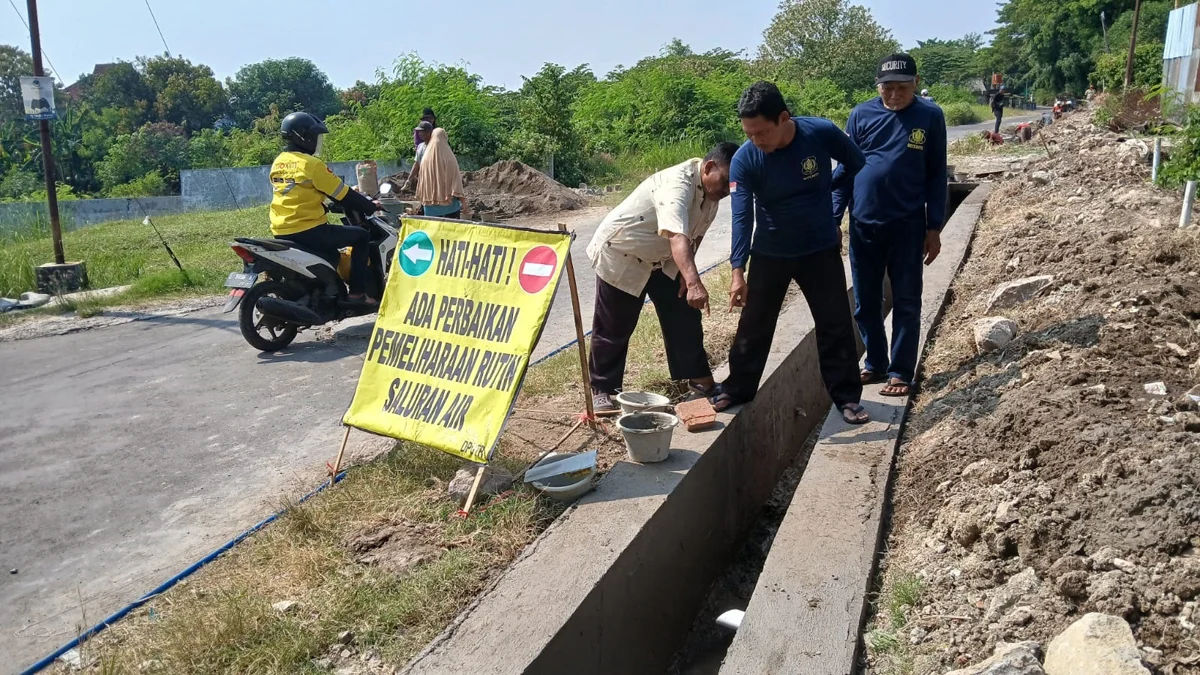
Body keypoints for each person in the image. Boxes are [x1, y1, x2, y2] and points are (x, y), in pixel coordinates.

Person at [713, 81, 869, 425]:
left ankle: (847, 397)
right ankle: (737, 387)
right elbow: (742, 216)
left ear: (784, 118)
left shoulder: (820, 132)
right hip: (771, 251)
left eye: (761, 133)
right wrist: (738, 270)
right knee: (754, 324)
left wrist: (829, 189)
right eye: (749, 133)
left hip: (819, 248)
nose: (756, 141)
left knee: (834, 323)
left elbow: (855, 161)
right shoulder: (745, 159)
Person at [585, 142, 740, 413]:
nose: (727, 190)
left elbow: (696, 235)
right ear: (709, 167)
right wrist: (693, 282)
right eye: (725, 181)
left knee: (685, 312)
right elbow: (678, 235)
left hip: (662, 257)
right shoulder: (676, 185)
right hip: (623, 251)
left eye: (732, 185)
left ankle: (699, 379)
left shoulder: (712, 195)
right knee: (614, 326)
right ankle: (603, 389)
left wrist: (685, 275)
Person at [832, 53, 948, 399]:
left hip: (908, 226)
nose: (894, 95)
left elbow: (936, 173)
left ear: (915, 84)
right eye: (887, 88)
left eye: (902, 88)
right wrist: (834, 218)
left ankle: (900, 370)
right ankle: (876, 362)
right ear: (877, 87)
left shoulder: (929, 116)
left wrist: (934, 227)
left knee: (907, 300)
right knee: (866, 302)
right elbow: (845, 171)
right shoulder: (861, 115)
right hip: (865, 225)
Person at [268, 111, 381, 305]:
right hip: (309, 229)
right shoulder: (311, 165)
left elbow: (299, 193)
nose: (317, 142)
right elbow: (344, 194)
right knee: (361, 237)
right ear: (305, 137)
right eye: (316, 137)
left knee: (334, 249)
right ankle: (357, 294)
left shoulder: (279, 162)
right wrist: (370, 206)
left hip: (281, 229)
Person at [416, 128, 470, 219]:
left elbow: (422, 181)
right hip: (449, 207)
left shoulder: (425, 159)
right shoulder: (449, 158)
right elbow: (456, 180)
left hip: (429, 207)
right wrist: (463, 202)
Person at [402, 120, 434, 192]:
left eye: (421, 131)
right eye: (419, 131)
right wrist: (409, 179)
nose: (419, 134)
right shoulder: (420, 146)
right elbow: (417, 164)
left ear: (428, 132)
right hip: (423, 179)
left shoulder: (435, 146)